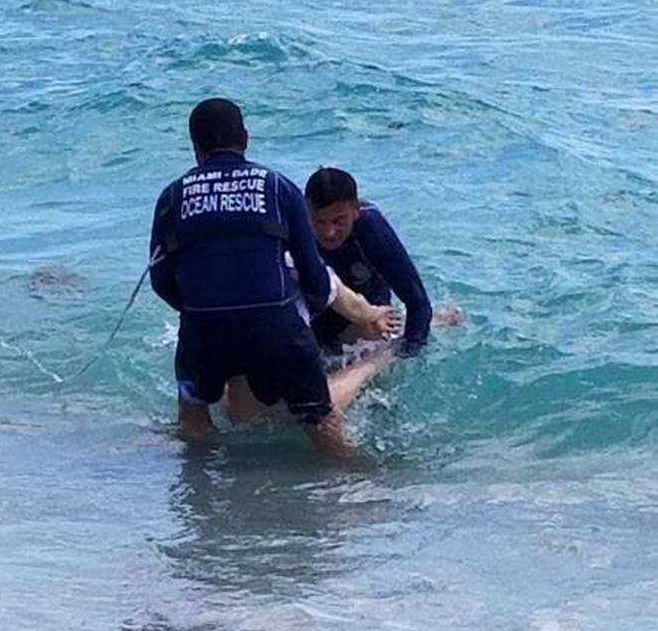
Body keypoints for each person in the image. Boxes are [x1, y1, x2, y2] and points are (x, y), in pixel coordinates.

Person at [149, 99, 399, 453]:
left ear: (196, 147)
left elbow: (161, 281)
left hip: (204, 329)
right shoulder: (278, 187)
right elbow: (313, 273)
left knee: (192, 416)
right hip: (275, 326)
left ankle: (200, 494)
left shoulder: (172, 197)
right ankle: (359, 486)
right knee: (322, 423)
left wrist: (200, 309)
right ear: (245, 139)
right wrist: (300, 322)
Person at [304, 166, 458, 354]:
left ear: (356, 210)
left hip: (370, 312)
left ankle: (432, 323)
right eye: (319, 221)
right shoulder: (295, 228)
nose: (328, 233)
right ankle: (439, 320)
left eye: (338, 221)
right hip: (319, 312)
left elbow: (418, 303)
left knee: (376, 330)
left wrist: (407, 355)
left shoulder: (371, 229)